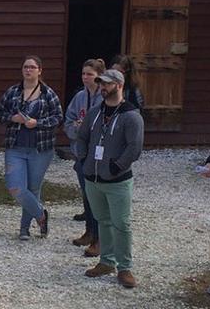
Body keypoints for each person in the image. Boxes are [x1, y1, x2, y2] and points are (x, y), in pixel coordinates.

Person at [75, 69, 144, 289]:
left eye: (107, 83)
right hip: (93, 178)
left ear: (119, 85)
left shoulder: (131, 115)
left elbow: (134, 148)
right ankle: (106, 261)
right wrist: (84, 159)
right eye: (101, 83)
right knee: (103, 221)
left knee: (121, 224)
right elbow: (82, 136)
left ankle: (124, 267)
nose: (102, 87)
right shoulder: (95, 112)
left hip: (117, 181)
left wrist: (116, 167)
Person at [0, 56, 63, 240]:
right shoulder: (13, 92)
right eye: (26, 67)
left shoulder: (48, 93)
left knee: (33, 188)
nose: (28, 70)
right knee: (15, 187)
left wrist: (38, 123)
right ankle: (41, 215)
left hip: (40, 149)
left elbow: (58, 117)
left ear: (40, 70)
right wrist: (12, 118)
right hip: (15, 146)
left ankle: (24, 229)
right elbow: (0, 114)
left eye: (32, 67)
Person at [64, 58, 105, 257]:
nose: (86, 77)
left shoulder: (104, 97)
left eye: (90, 74)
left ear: (99, 76)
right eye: (83, 73)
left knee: (97, 196)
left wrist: (87, 128)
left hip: (97, 155)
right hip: (81, 153)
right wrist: (76, 129)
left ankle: (99, 238)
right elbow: (69, 120)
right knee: (86, 194)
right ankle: (89, 231)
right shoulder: (79, 96)